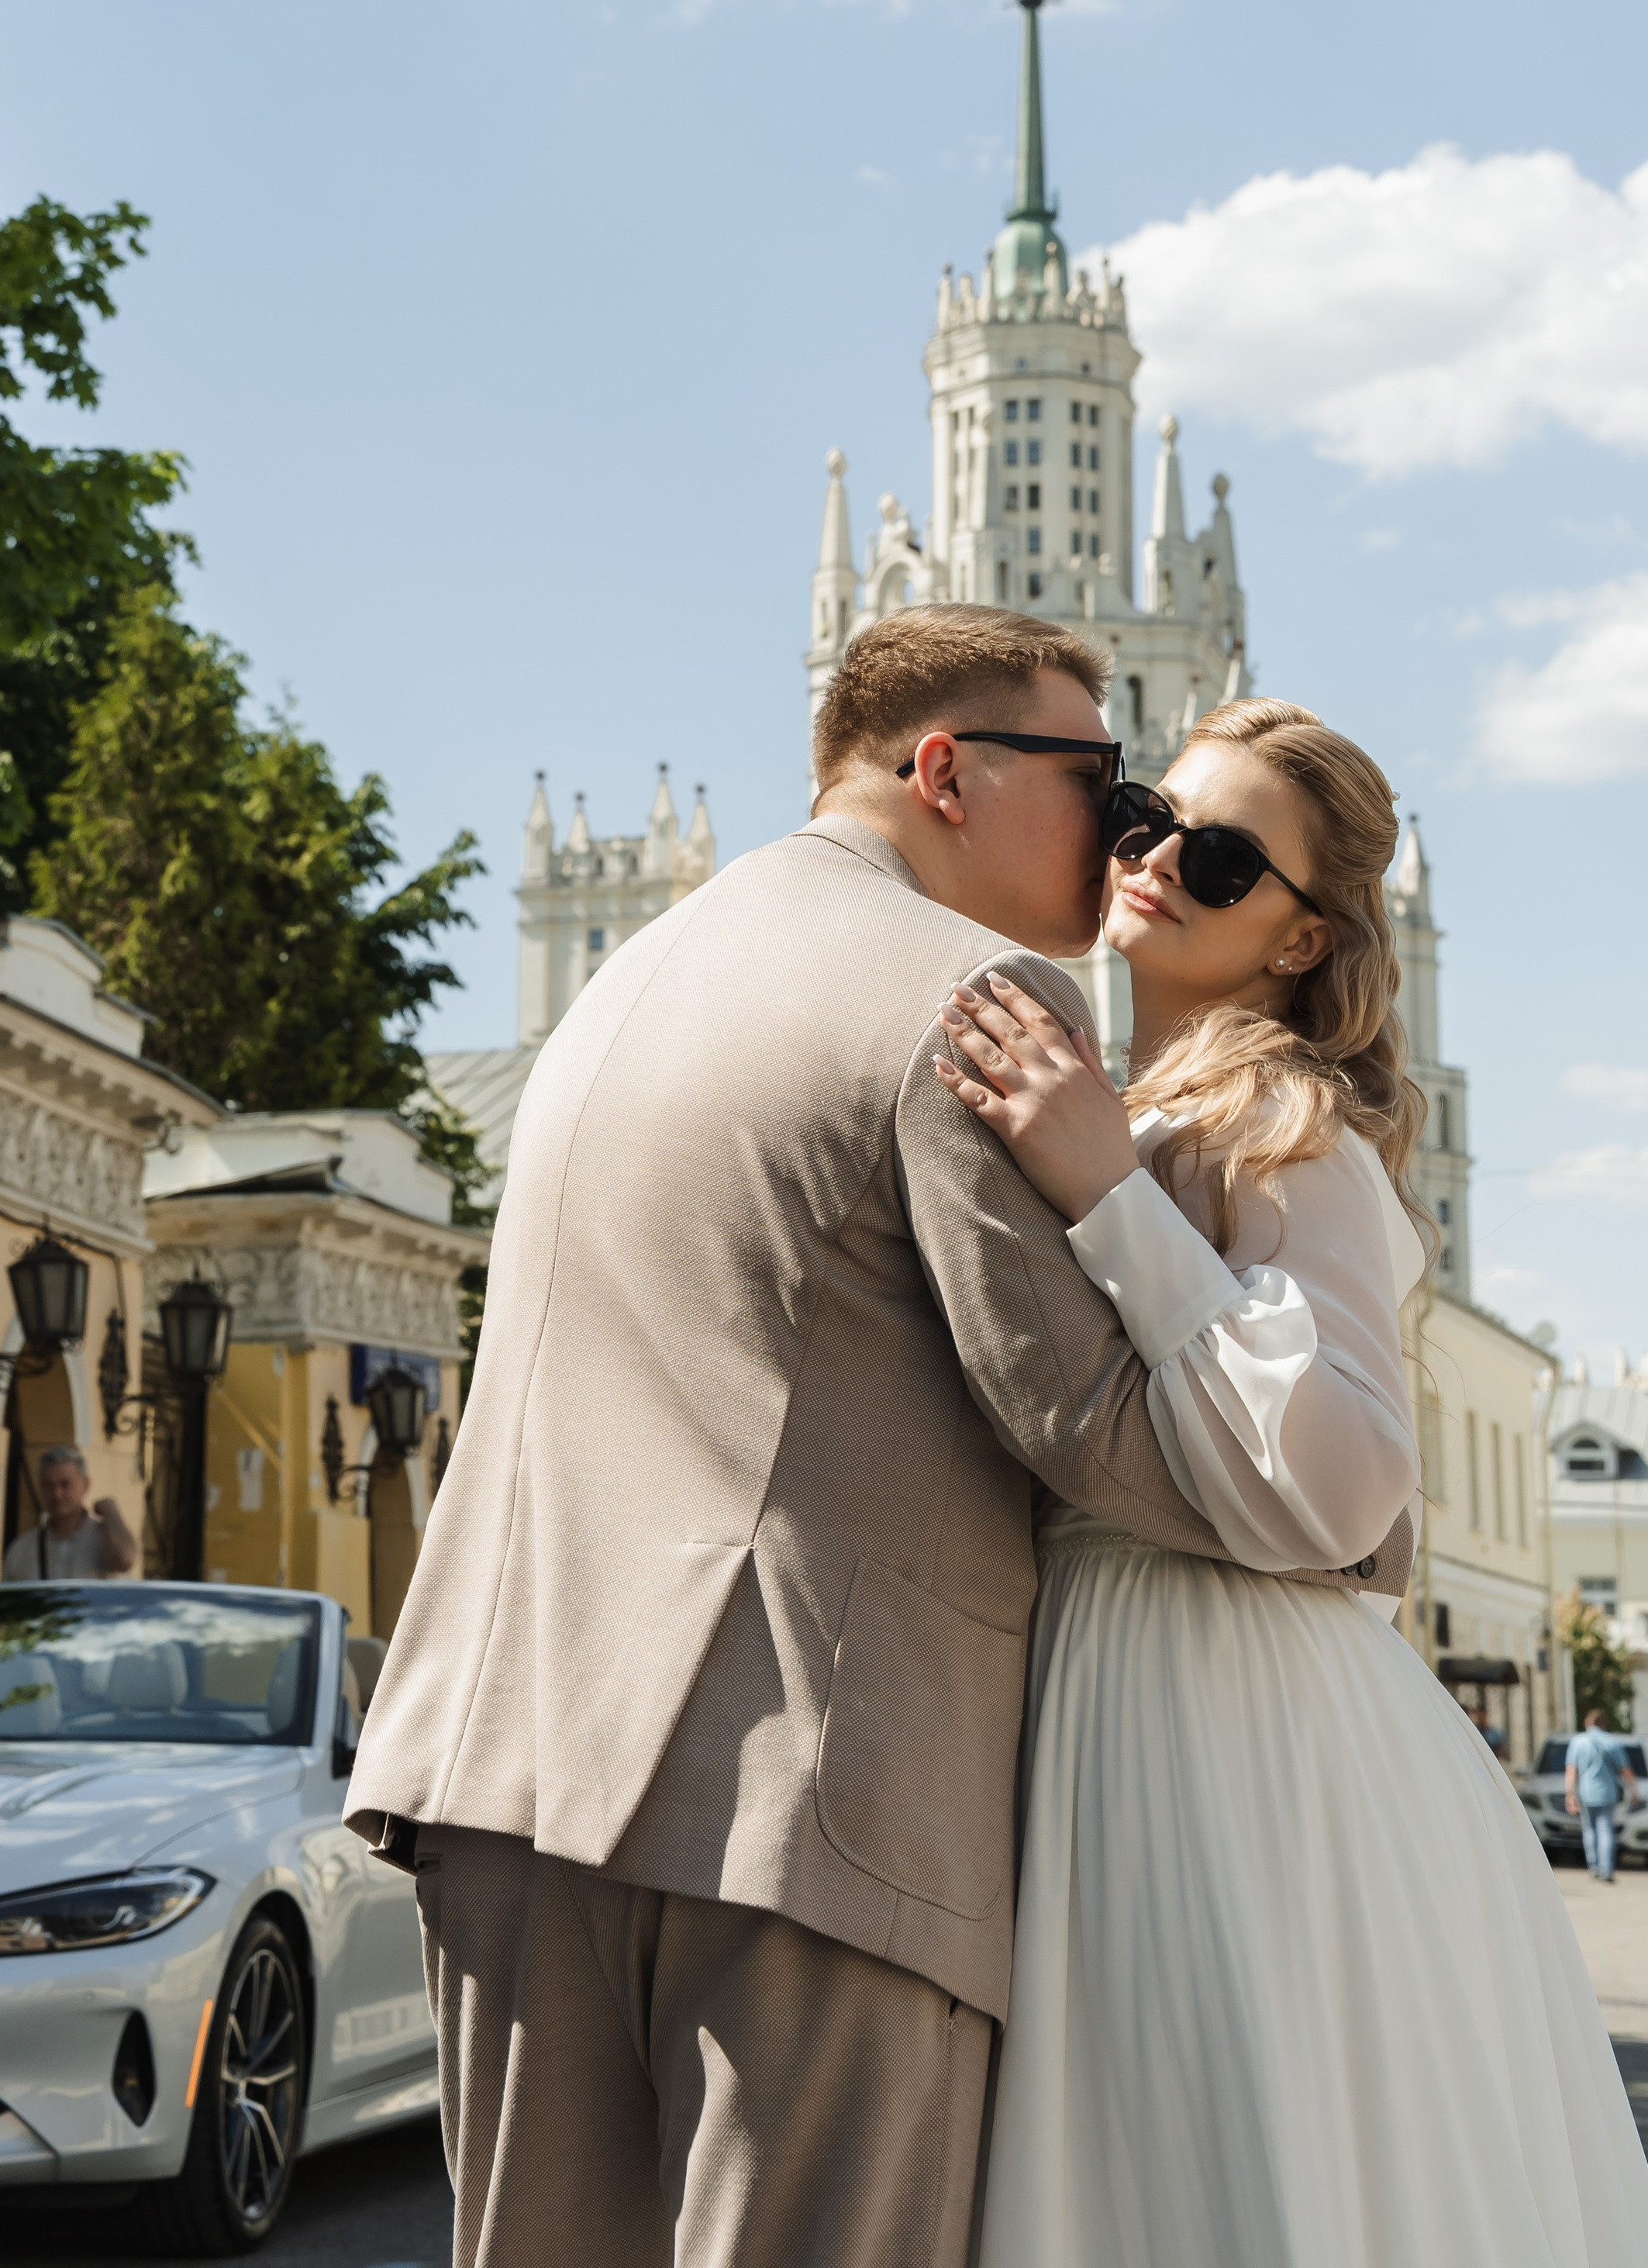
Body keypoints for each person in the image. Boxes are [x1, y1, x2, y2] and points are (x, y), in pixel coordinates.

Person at [342, 611, 1409, 2268]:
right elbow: (1087, 1423)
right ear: (948, 773)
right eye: (1101, 783)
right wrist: (1343, 1520)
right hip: (796, 1803)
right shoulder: (963, 1001)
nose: (1122, 835)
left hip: (498, 1774)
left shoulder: (627, 978)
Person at [930, 698, 1648, 2267]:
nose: (1152, 861)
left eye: (1216, 860)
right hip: (1120, 1683)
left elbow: (1338, 1491)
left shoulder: (1283, 1125)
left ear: (1299, 939)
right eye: (1145, 818)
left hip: (1225, 1711)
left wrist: (1107, 1192)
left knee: (1222, 2167)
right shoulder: (1138, 1103)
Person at [1, 1445, 137, 1580]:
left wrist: (110, 1511)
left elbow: (125, 1559)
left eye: (65, 1485)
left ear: (86, 1485)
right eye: (49, 1485)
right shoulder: (22, 1549)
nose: (57, 1494)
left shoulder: (105, 1539)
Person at [1566, 1707, 1640, 1883]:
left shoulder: (1578, 1742)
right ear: (1604, 1724)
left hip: (1586, 1793)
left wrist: (1570, 1794)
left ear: (1587, 1723)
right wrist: (1634, 1792)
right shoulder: (1611, 1742)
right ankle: (1606, 1870)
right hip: (1607, 1793)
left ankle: (1594, 1868)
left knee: (1589, 1830)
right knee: (1605, 1830)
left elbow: (1571, 1771)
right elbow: (1625, 1770)